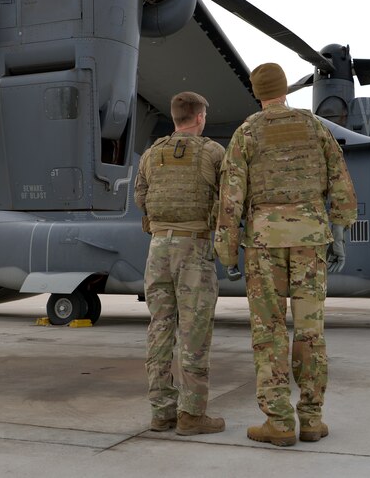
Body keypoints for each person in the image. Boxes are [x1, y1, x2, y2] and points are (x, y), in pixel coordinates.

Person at [216, 63, 357, 446]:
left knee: (269, 332)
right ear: (284, 90)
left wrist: (227, 253)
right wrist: (339, 234)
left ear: (257, 93)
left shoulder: (247, 132)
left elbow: (230, 197)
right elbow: (339, 180)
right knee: (310, 332)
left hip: (264, 244)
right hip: (311, 239)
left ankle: (278, 422)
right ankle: (311, 420)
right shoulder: (314, 127)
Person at [134, 91, 227, 436]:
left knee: (160, 328)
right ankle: (192, 414)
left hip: (158, 249)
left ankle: (161, 412)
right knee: (194, 333)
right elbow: (228, 199)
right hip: (194, 249)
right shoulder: (213, 152)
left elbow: (140, 198)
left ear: (175, 118)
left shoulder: (151, 154)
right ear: (200, 117)